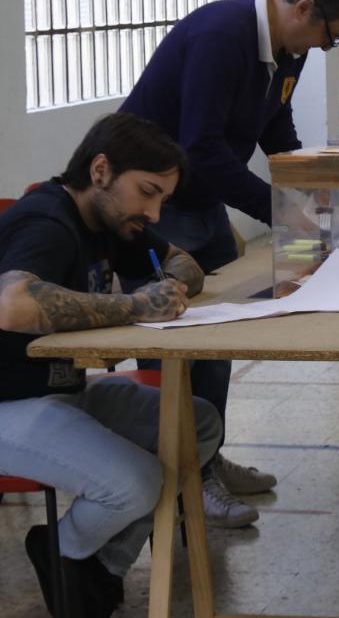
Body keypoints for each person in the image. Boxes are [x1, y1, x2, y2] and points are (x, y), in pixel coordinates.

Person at [119, 0, 339, 527]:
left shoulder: (288, 49)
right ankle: (183, 478)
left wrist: (311, 191)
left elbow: (275, 130)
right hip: (155, 201)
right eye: (330, 39)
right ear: (305, 8)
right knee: (176, 341)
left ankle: (207, 457)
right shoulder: (221, 36)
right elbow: (200, 146)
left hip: (200, 195)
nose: (323, 50)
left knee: (220, 331)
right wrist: (280, 212)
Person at [0, 113, 222, 618]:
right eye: (148, 192)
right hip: (8, 402)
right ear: (100, 170)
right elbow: (13, 306)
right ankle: (61, 548)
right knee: (136, 482)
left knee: (197, 423)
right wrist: (138, 307)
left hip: (60, 392)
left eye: (163, 198)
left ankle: (98, 567)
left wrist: (168, 283)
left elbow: (184, 263)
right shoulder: (47, 221)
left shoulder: (111, 220)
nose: (155, 212)